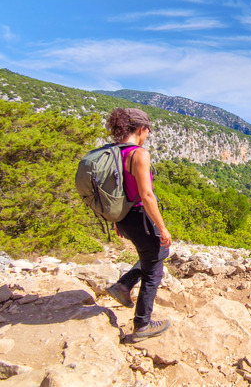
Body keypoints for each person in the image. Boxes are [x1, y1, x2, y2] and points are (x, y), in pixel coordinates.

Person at [104, 107, 173, 343]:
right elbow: (146, 195)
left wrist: (116, 221)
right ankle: (142, 324)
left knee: (157, 253)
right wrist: (162, 227)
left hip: (122, 218)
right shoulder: (138, 154)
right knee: (154, 269)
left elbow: (114, 190)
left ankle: (123, 285)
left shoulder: (113, 153)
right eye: (147, 131)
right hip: (138, 217)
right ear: (141, 129)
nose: (147, 136)